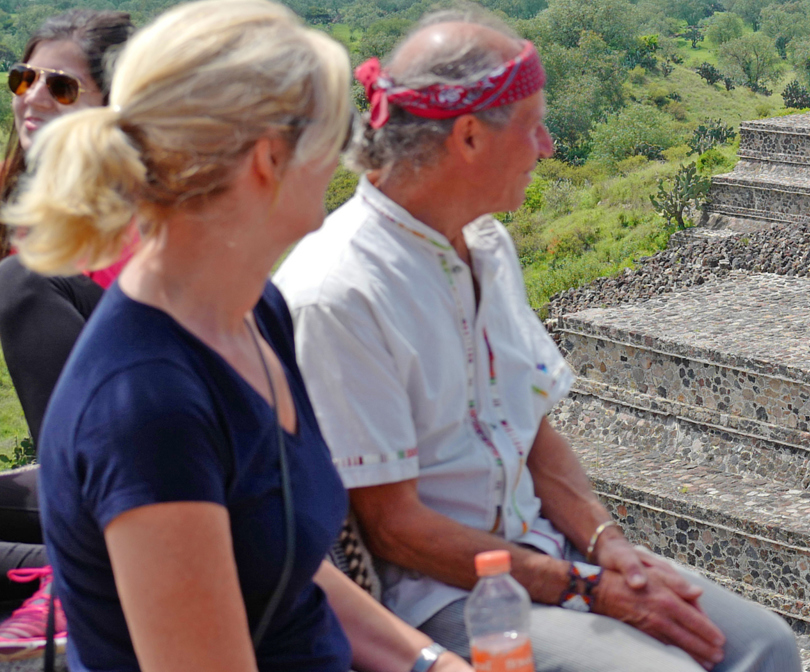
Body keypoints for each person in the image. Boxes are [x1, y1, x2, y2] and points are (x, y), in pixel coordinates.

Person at [273, 10, 801, 672]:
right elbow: (394, 529)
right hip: (444, 595)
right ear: (469, 137)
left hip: (549, 551)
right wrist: (584, 587)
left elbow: (532, 432)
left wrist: (609, 546)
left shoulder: (486, 244)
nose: (547, 146)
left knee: (764, 646)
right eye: (531, 126)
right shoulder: (340, 293)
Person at [9, 2, 474, 670]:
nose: (347, 158)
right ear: (268, 158)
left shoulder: (253, 311)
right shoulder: (146, 406)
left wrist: (434, 662)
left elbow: (283, 566)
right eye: (335, 133)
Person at [0, 8, 133, 655]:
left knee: (22, 280)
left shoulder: (148, 210)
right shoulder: (27, 208)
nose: (33, 98)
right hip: (100, 477)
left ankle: (85, 574)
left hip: (163, 475)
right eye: (24, 79)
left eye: (61, 86)